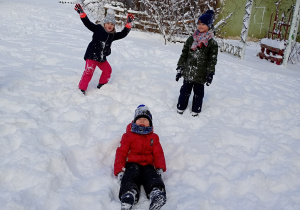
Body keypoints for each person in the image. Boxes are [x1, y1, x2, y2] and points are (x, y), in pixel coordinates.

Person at [114, 105, 167, 210]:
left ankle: (156, 192)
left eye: (145, 119)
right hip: (132, 164)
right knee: (130, 176)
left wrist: (160, 167)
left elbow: (158, 153)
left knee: (152, 176)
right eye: (139, 119)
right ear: (134, 122)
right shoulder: (128, 136)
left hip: (148, 164)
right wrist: (120, 170)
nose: (142, 121)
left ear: (150, 123)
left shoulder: (153, 137)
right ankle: (129, 194)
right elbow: (121, 153)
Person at [74, 4, 134, 94]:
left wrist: (128, 25)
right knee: (89, 71)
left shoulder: (112, 35)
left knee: (108, 70)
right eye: (108, 23)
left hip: (102, 58)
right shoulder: (98, 29)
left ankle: (102, 85)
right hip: (92, 55)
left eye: (112, 24)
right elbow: (88, 23)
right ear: (104, 24)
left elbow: (122, 34)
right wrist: (82, 14)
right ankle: (81, 89)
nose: (110, 26)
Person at [175, 10, 218, 116]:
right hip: (188, 72)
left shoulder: (211, 43)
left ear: (209, 25)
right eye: (199, 24)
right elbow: (184, 54)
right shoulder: (191, 39)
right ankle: (181, 107)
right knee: (184, 91)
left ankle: (196, 110)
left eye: (203, 24)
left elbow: (212, 60)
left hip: (201, 74)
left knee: (198, 93)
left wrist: (210, 73)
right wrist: (180, 67)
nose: (200, 26)